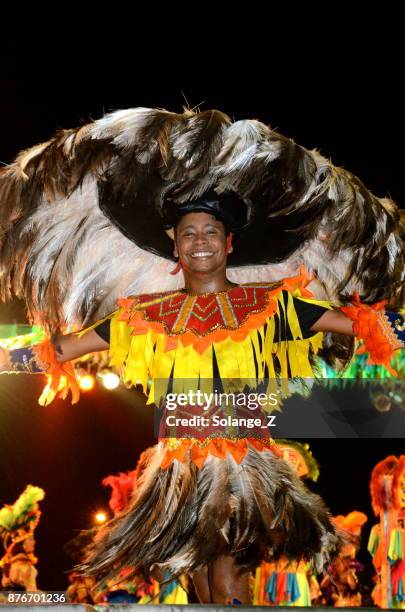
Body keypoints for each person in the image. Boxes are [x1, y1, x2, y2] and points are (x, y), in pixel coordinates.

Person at [0, 108, 404, 603]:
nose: (200, 242)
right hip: (179, 466)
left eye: (210, 232)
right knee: (199, 583)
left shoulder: (272, 305)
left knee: (231, 574)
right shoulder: (144, 315)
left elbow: (367, 327)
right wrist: (7, 357)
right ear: (175, 245)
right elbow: (62, 348)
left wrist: (389, 328)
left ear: (229, 242)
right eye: (189, 232)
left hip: (246, 463)